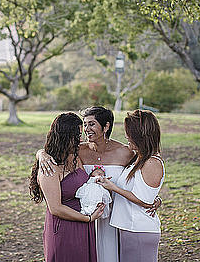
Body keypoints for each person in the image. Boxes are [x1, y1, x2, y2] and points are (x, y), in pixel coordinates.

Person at [37, 106, 161, 262]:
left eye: (92, 124)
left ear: (106, 126)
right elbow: (55, 149)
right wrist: (41, 154)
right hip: (84, 217)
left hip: (115, 217)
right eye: (85, 124)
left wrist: (154, 198)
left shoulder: (125, 152)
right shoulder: (77, 150)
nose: (86, 130)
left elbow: (142, 176)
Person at [29, 112, 105, 262]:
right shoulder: (49, 168)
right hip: (65, 227)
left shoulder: (75, 156)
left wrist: (40, 152)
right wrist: (88, 218)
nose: (81, 139)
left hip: (84, 225)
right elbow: (55, 208)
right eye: (76, 135)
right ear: (64, 137)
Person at [96, 109, 165, 262]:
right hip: (129, 228)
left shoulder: (152, 162)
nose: (126, 136)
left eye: (129, 132)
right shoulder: (138, 159)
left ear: (140, 135)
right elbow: (148, 192)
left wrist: (113, 187)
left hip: (139, 230)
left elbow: (146, 201)